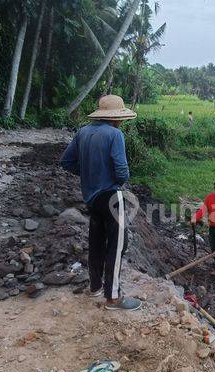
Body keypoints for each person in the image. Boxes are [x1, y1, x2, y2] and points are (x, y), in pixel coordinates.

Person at [60, 94, 141, 311]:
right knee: (117, 245)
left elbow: (66, 161)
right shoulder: (115, 135)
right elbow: (122, 172)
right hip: (112, 196)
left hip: (91, 197)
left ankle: (95, 286)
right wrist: (116, 179)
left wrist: (88, 173)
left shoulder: (83, 132)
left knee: (96, 242)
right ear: (117, 117)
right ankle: (113, 297)